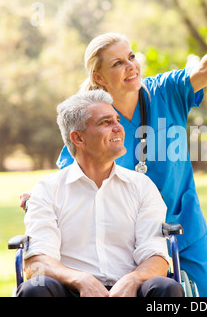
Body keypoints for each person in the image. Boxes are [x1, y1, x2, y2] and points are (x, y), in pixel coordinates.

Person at [20, 13, 207, 297]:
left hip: (182, 225)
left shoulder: (166, 92)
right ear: (98, 76)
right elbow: (74, 174)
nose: (131, 66)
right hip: (128, 239)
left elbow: (205, 66)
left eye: (131, 57)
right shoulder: (94, 120)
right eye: (118, 63)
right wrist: (37, 196)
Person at [17, 90, 184, 297]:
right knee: (34, 289)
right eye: (106, 122)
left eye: (117, 120)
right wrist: (81, 280)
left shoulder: (142, 186)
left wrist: (133, 280)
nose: (119, 128)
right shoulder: (48, 189)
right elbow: (36, 262)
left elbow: (156, 257)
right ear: (78, 137)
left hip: (130, 289)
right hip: (70, 289)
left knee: (166, 288)